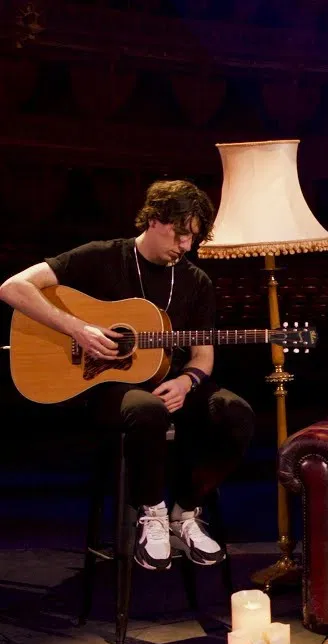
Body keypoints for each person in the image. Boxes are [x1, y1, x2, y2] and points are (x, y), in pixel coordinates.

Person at [0, 180, 255, 571]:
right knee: (147, 409)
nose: (186, 246)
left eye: (193, 237)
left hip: (171, 384)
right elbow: (12, 287)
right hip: (110, 386)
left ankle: (185, 512)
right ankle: (150, 511)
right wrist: (77, 328)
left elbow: (203, 355)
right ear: (154, 219)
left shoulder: (196, 281)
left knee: (235, 413)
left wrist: (187, 381)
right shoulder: (102, 257)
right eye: (180, 233)